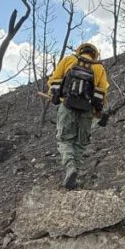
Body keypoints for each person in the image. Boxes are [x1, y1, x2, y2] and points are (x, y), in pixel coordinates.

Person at [47, 42, 109, 189]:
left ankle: (70, 167)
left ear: (80, 51)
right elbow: (102, 93)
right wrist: (96, 111)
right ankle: (75, 176)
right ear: (94, 54)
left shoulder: (69, 60)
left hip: (67, 106)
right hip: (86, 110)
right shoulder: (99, 68)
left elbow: (54, 80)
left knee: (64, 140)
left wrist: (54, 96)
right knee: (80, 143)